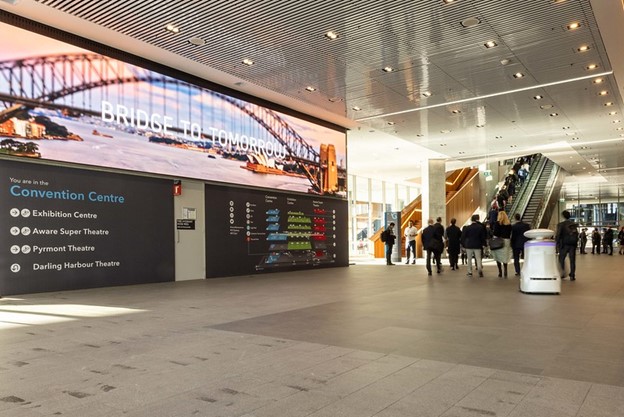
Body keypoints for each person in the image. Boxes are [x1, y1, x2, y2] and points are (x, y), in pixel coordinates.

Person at [555, 210, 577, 281]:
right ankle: (572, 275)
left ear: (563, 216)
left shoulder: (561, 224)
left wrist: (556, 243)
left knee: (561, 259)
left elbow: (558, 235)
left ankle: (562, 273)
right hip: (572, 245)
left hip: (564, 245)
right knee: (572, 260)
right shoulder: (573, 224)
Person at [491, 211, 512, 278]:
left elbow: (495, 233)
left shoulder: (497, 224)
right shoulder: (509, 224)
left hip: (499, 241)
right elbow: (510, 233)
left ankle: (500, 271)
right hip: (506, 241)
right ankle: (505, 270)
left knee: (498, 257)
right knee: (505, 256)